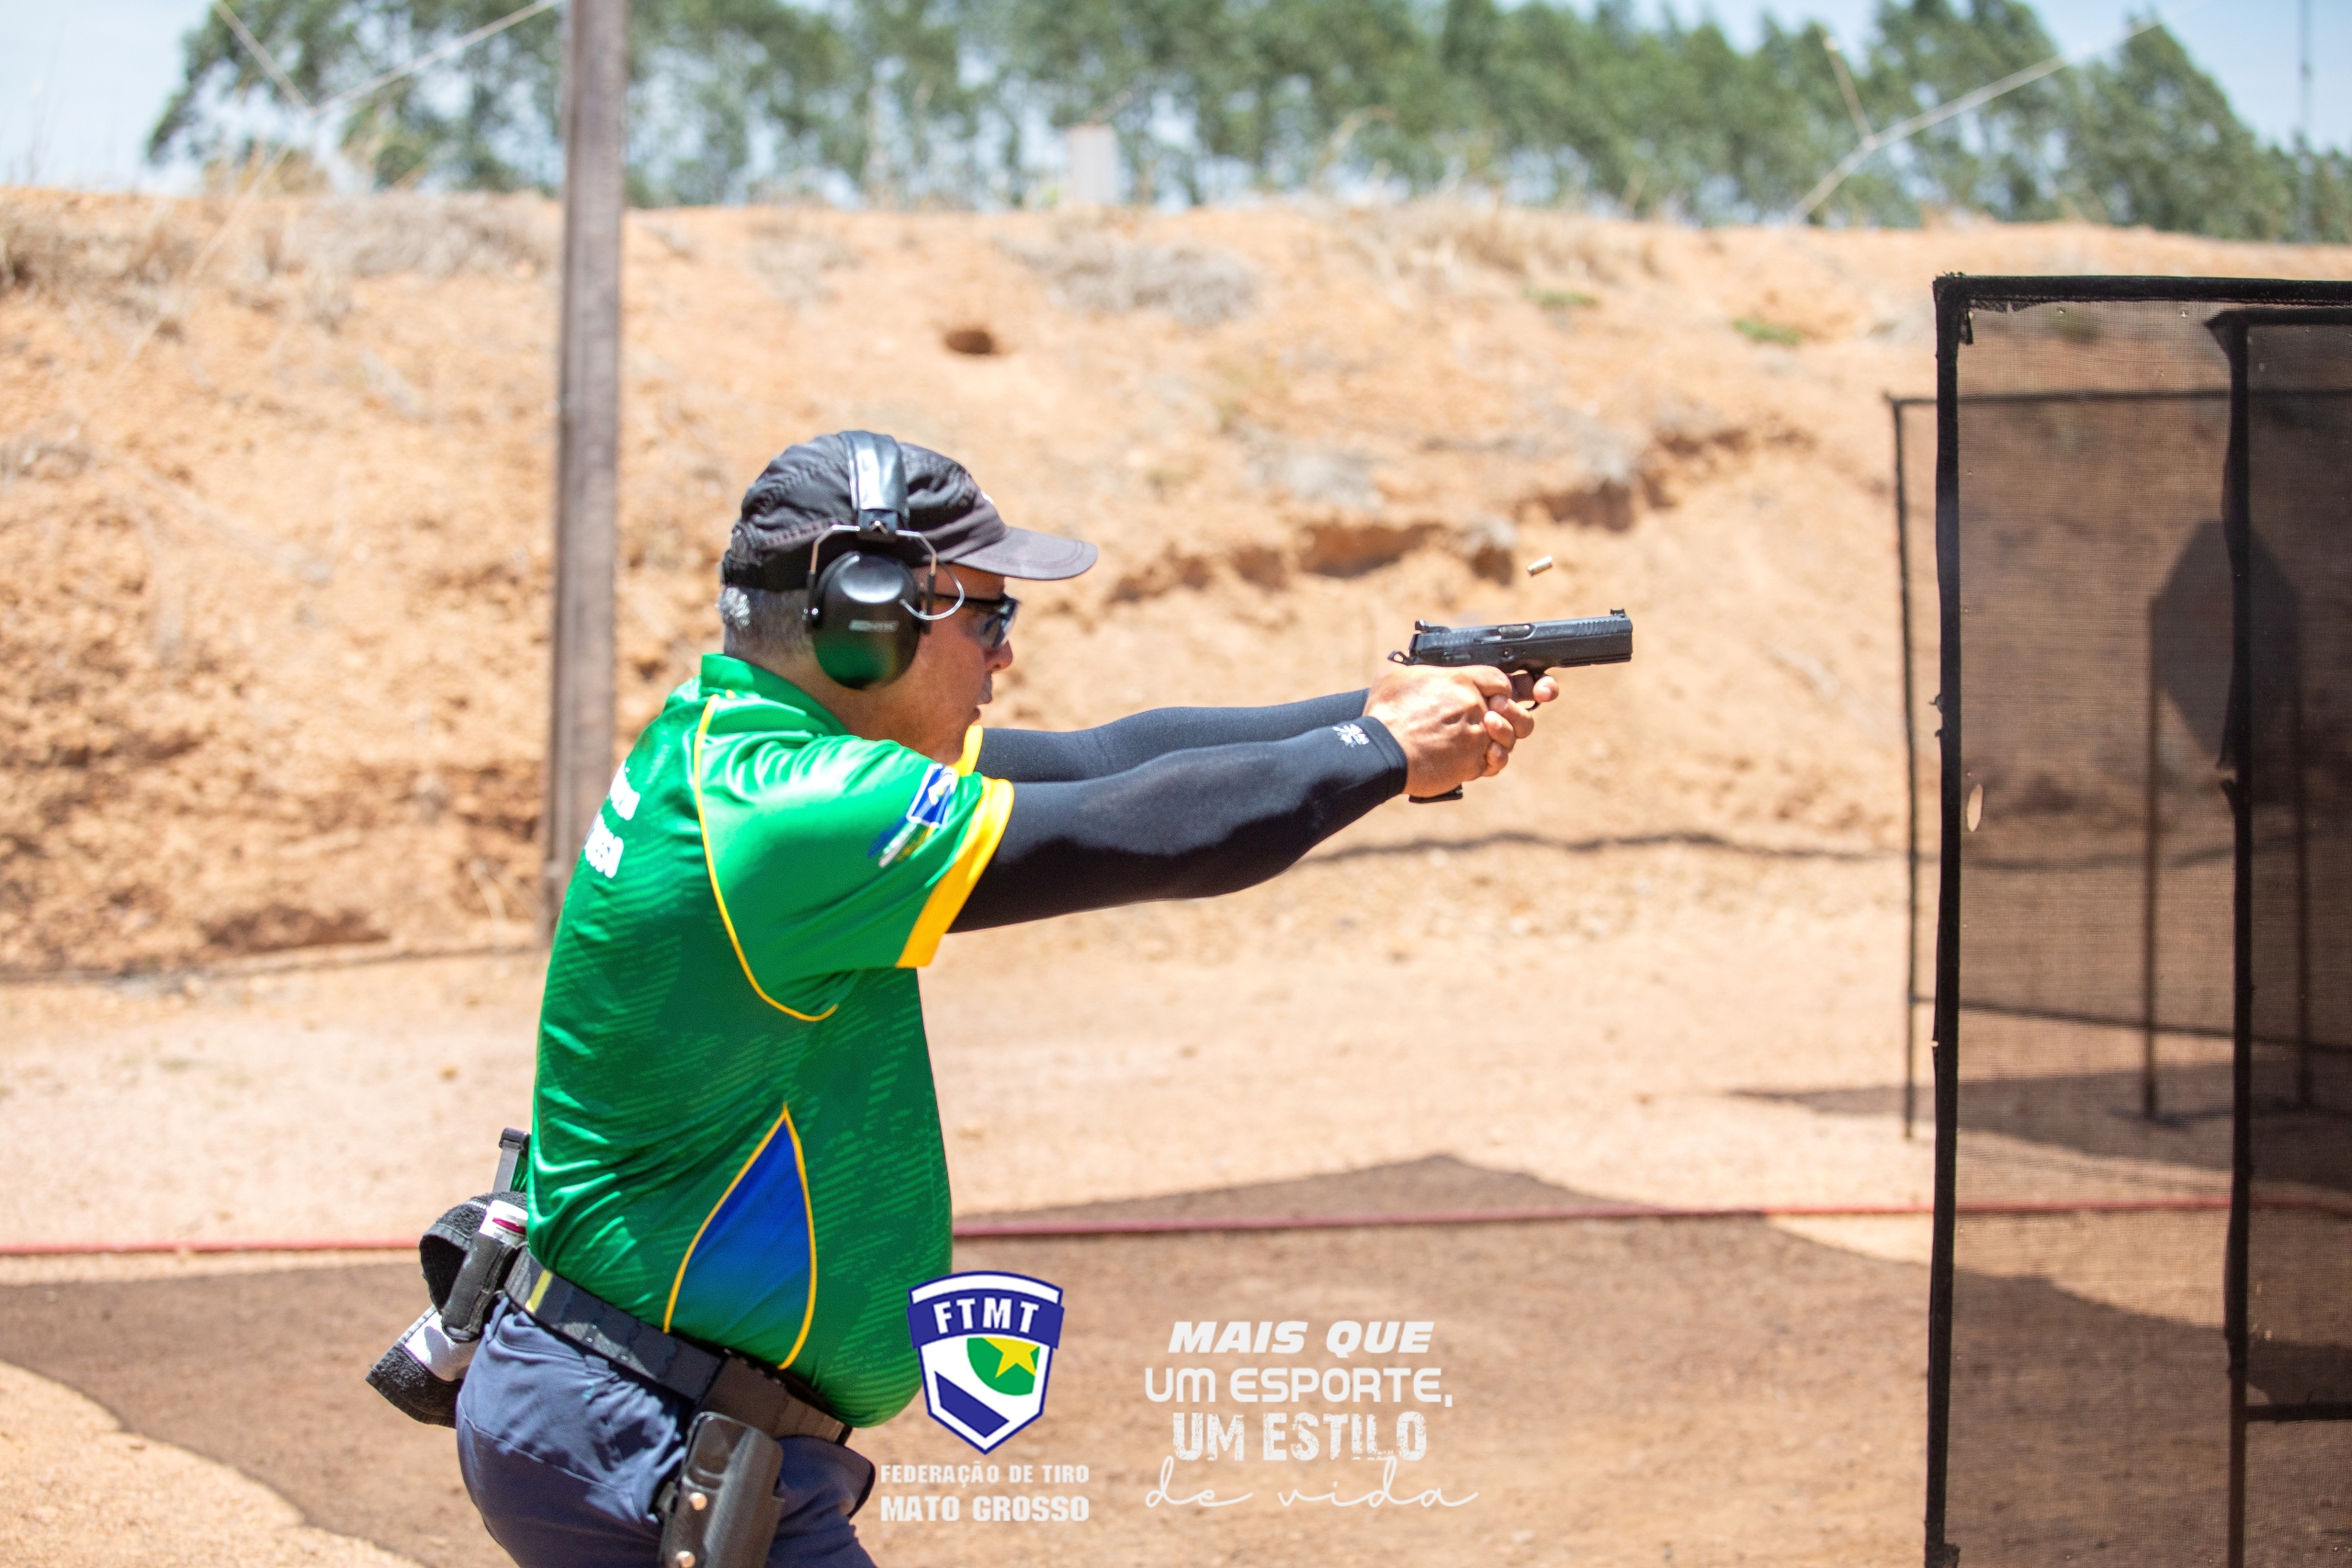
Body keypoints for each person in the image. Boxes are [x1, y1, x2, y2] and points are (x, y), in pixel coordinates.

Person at [453, 430, 1556, 1567]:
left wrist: (1369, 713)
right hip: (641, 1433)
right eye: (987, 617)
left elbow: (1105, 759)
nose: (1005, 654)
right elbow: (1146, 833)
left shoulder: (748, 745)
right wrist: (1379, 751)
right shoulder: (791, 813)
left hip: (633, 1406)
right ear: (869, 618)